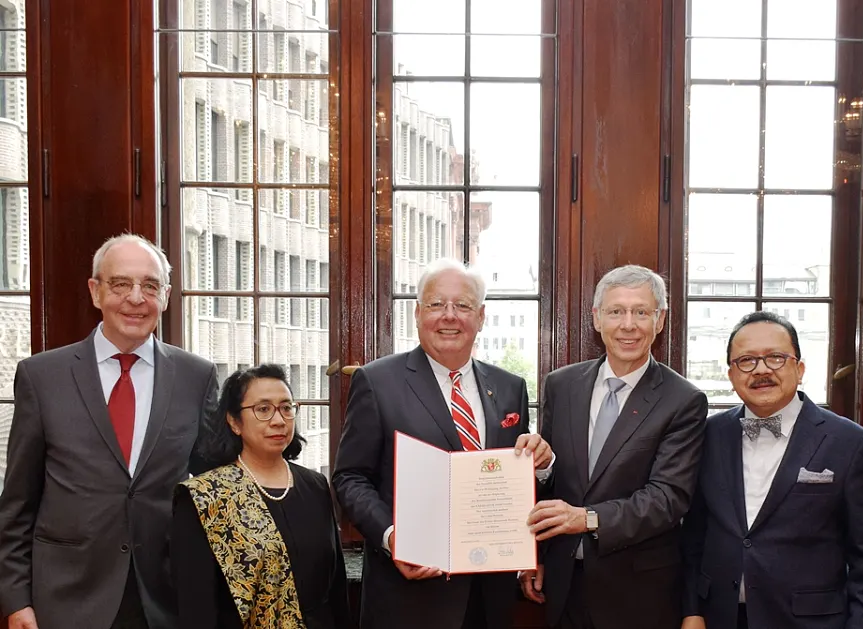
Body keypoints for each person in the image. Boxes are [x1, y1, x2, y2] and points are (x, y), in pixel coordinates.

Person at [0, 234, 219, 629]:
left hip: (165, 602)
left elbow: (211, 488)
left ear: (166, 296)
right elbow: (17, 503)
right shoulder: (41, 376)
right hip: (66, 602)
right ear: (95, 291)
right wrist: (16, 600)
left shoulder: (196, 376)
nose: (136, 298)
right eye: (120, 284)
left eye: (150, 286)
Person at [332, 257, 553, 629]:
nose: (449, 316)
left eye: (463, 305)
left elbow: (512, 482)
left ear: (480, 317)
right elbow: (350, 478)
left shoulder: (509, 387)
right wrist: (393, 538)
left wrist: (542, 466)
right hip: (410, 596)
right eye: (436, 304)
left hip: (490, 594)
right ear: (417, 313)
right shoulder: (376, 382)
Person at [680, 311, 863, 629]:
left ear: (800, 368)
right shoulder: (707, 435)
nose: (761, 370)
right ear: (731, 374)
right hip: (718, 618)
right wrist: (691, 610)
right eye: (746, 360)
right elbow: (693, 535)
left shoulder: (850, 443)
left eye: (776, 358)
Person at [523, 264, 708, 629]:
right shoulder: (561, 385)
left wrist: (588, 518)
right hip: (563, 586)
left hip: (637, 593)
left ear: (660, 320)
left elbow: (668, 498)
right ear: (596, 318)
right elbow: (556, 480)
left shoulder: (683, 400)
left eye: (641, 312)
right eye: (615, 311)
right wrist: (536, 551)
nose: (628, 325)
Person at [170, 364, 349, 628]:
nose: (278, 420)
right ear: (234, 421)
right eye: (263, 409)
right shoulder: (205, 497)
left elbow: (336, 589)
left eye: (286, 408)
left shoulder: (315, 485)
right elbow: (195, 605)